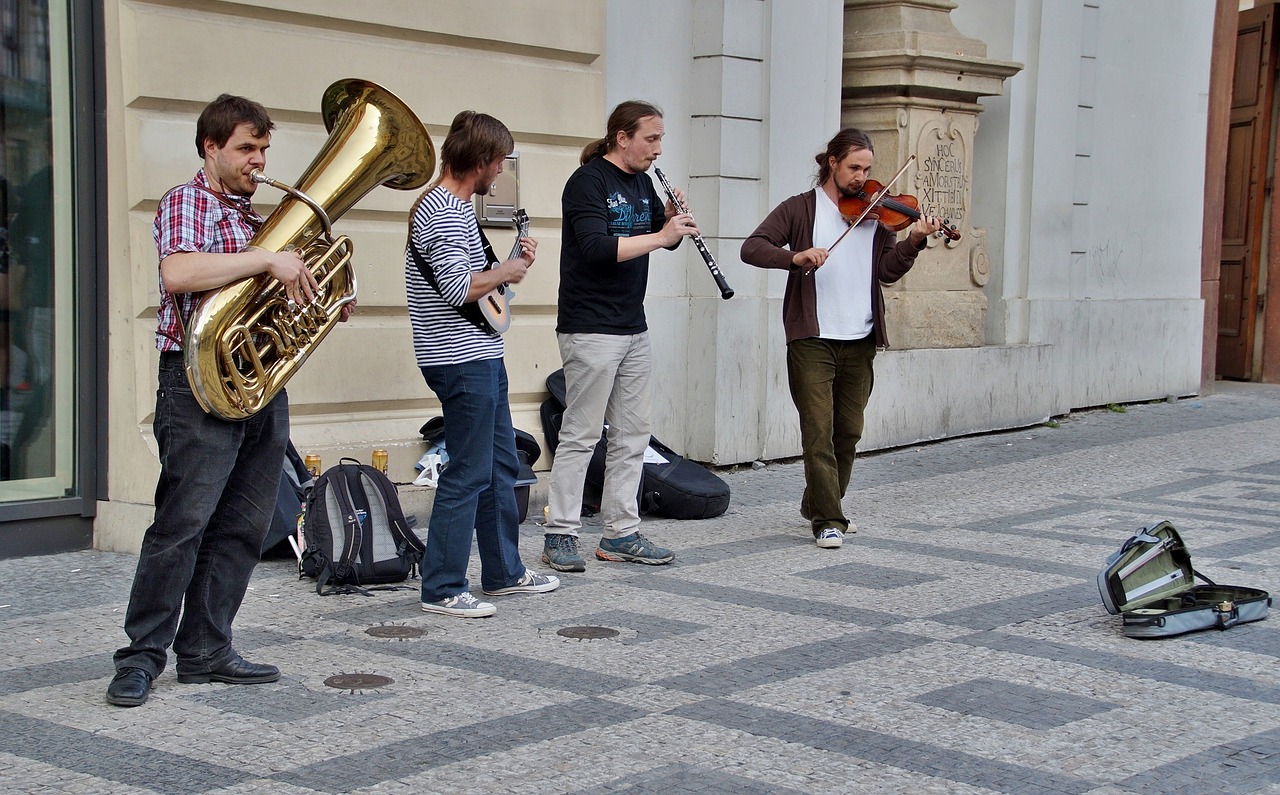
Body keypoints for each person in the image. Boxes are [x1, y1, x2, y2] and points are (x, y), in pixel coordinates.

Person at [107, 94, 334, 707]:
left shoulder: (257, 217)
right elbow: (179, 273)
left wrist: (316, 297)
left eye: (263, 149)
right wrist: (266, 258)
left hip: (258, 385)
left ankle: (207, 648)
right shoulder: (190, 200)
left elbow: (261, 303)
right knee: (181, 525)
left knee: (244, 524)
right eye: (245, 148)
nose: (258, 161)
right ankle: (140, 656)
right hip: (195, 384)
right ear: (210, 147)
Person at [739, 128, 943, 549]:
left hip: (860, 337)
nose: (862, 177)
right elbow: (752, 247)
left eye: (867, 168)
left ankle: (817, 501)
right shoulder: (800, 209)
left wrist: (916, 241)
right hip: (812, 337)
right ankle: (829, 519)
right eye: (854, 167)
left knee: (847, 431)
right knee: (818, 431)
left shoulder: (877, 212)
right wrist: (794, 256)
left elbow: (886, 271)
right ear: (832, 163)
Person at [406, 110, 559, 618]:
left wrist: (509, 264)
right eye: (499, 162)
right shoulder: (442, 211)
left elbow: (485, 293)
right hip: (458, 358)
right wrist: (508, 268)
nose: (501, 173)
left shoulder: (455, 209)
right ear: (482, 161)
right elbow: (458, 288)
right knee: (468, 472)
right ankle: (443, 586)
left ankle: (503, 572)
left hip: (478, 354)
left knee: (497, 466)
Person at [540, 100, 698, 572]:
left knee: (634, 434)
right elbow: (595, 248)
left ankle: (621, 532)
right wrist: (662, 235)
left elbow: (644, 233)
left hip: (633, 325)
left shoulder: (643, 183)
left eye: (661, 138)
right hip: (590, 326)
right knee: (581, 433)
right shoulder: (588, 182)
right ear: (621, 137)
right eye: (651, 138)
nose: (658, 148)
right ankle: (560, 533)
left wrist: (665, 218)